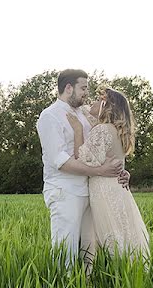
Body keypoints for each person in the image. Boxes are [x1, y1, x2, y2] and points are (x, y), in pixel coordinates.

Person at [36, 69, 130, 267]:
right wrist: (100, 171)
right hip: (65, 191)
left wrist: (120, 172)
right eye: (83, 88)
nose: (87, 93)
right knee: (65, 250)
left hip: (91, 190)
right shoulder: (50, 116)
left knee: (89, 251)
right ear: (68, 88)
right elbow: (60, 161)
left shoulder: (85, 113)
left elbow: (104, 148)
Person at [67, 87, 150, 267]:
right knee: (122, 234)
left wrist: (78, 131)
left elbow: (82, 160)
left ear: (107, 106)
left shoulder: (102, 130)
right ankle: (124, 276)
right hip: (118, 190)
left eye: (98, 100)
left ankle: (96, 279)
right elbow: (85, 111)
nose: (92, 103)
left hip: (104, 192)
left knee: (106, 238)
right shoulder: (117, 131)